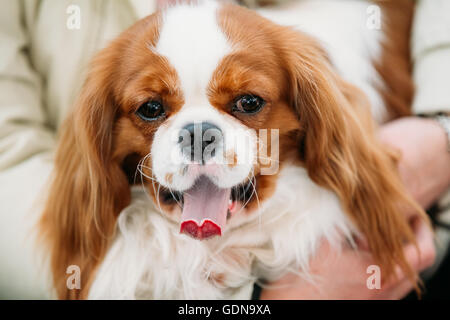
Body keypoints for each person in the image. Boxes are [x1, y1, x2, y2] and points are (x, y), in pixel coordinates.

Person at [0, 0, 448, 299]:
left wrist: (442, 133)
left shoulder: (308, 74)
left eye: (247, 103)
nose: (197, 137)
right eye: (152, 109)